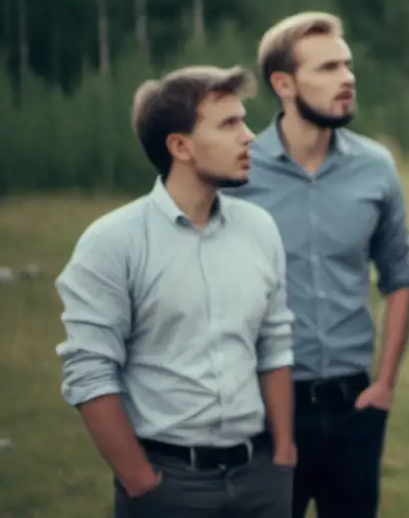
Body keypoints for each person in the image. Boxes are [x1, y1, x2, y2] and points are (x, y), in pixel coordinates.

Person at [54, 65, 297, 517]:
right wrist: (139, 480)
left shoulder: (259, 228)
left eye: (244, 121)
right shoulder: (112, 242)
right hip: (169, 486)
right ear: (179, 146)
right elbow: (90, 371)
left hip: (260, 479)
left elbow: (275, 344)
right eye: (228, 124)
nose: (250, 138)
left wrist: (283, 454)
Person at [224, 11, 409, 518]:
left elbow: (399, 276)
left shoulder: (376, 168)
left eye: (348, 65)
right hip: (264, 409)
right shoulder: (239, 171)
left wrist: (385, 383)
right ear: (283, 84)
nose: (348, 78)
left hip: (355, 408)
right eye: (328, 68)